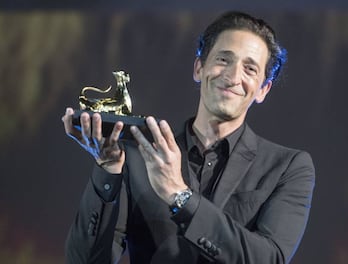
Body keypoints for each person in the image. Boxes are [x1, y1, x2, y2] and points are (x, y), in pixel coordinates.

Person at [62, 11, 315, 264]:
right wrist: (107, 171)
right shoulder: (141, 156)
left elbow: (269, 259)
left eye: (250, 69)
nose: (233, 76)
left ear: (263, 89)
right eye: (223, 59)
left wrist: (180, 196)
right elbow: (84, 260)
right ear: (198, 68)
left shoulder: (287, 168)